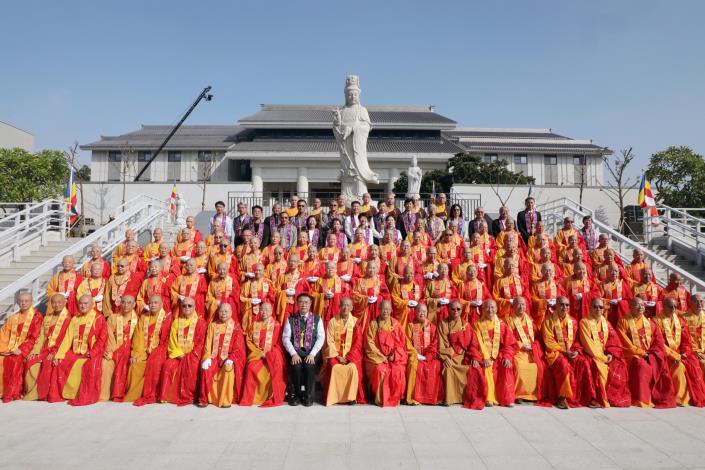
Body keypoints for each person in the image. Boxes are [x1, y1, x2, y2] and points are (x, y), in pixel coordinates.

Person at [616, 297, 676, 408]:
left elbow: (658, 342)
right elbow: (624, 342)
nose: (640, 307)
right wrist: (640, 353)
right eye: (637, 305)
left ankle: (655, 396)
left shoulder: (650, 323)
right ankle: (641, 399)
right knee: (642, 365)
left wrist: (653, 354)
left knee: (659, 364)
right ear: (630, 307)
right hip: (631, 355)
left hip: (648, 354)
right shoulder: (623, 321)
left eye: (643, 305)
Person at [50, 295, 107, 405]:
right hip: (76, 351)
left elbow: (102, 339)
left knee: (86, 365)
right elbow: (67, 338)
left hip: (91, 351)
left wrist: (93, 352)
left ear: (92, 304)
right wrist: (59, 354)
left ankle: (79, 394)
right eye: (80, 303)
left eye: (86, 303)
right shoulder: (75, 318)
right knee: (60, 362)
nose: (82, 306)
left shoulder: (98, 318)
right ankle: (66, 394)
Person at [578, 297, 631, 408]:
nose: (598, 309)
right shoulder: (584, 322)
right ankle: (598, 399)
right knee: (600, 368)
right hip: (591, 354)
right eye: (595, 307)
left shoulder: (606, 323)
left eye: (601, 307)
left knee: (619, 365)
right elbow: (588, 345)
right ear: (590, 308)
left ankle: (612, 397)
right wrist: (603, 358)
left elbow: (614, 341)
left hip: (606, 355)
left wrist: (611, 353)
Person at [653, 298, 705, 407]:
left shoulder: (680, 321)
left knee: (693, 365)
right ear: (663, 306)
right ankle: (680, 398)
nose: (673, 309)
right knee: (680, 367)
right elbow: (659, 343)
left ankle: (693, 395)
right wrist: (673, 355)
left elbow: (686, 341)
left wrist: (685, 352)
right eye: (670, 307)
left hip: (680, 353)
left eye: (675, 307)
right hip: (664, 354)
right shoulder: (655, 321)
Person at [465, 300, 516, 409]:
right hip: (482, 357)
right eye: (487, 308)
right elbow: (474, 344)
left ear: (496, 309)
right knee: (482, 368)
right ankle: (488, 397)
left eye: (492, 307)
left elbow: (509, 344)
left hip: (498, 356)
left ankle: (507, 399)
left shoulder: (502, 325)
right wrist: (482, 357)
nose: (490, 310)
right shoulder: (477, 324)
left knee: (506, 365)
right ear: (482, 309)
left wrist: (507, 357)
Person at [541, 295, 590, 409]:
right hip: (555, 352)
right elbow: (548, 341)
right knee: (563, 364)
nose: (564, 307)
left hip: (571, 352)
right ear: (556, 306)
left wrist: (576, 351)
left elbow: (578, 340)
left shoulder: (573, 321)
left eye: (567, 305)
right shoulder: (548, 320)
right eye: (561, 305)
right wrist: (564, 351)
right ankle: (562, 397)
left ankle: (585, 397)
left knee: (584, 362)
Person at [158, 297, 206, 406]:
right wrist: (179, 355)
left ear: (194, 307)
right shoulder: (176, 322)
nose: (186, 308)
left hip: (193, 356)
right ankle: (166, 396)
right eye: (184, 306)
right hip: (178, 354)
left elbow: (201, 342)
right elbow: (172, 341)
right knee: (168, 366)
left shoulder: (200, 322)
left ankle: (189, 396)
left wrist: (190, 356)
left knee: (192, 366)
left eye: (189, 306)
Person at [23, 294, 72, 401]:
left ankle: (43, 393)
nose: (56, 305)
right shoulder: (47, 317)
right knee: (31, 362)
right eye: (54, 302)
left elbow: (65, 339)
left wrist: (55, 352)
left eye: (59, 302)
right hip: (45, 349)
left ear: (64, 303)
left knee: (48, 364)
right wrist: (35, 351)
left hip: (59, 350)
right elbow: (41, 337)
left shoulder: (68, 318)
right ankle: (33, 392)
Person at [127, 296, 173, 405]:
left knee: (155, 362)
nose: (152, 305)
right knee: (135, 363)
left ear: (161, 304)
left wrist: (156, 353)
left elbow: (166, 340)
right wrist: (137, 353)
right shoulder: (144, 317)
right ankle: (134, 394)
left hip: (159, 352)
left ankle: (151, 393)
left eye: (155, 303)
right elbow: (137, 337)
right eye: (151, 303)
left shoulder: (167, 318)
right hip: (144, 351)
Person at [198, 303, 246, 408]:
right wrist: (206, 357)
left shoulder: (236, 327)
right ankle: (204, 399)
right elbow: (207, 344)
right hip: (214, 357)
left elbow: (239, 347)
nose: (223, 314)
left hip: (228, 358)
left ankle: (225, 399)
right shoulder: (212, 326)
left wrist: (232, 358)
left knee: (228, 368)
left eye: (226, 311)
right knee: (206, 369)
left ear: (231, 313)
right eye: (221, 311)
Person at [240, 302, 286, 407]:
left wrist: (268, 353)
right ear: (259, 311)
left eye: (267, 310)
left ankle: (270, 396)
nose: (264, 312)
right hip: (257, 354)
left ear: (271, 312)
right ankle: (251, 398)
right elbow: (249, 341)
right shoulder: (254, 324)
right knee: (251, 368)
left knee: (275, 367)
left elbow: (277, 343)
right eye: (262, 310)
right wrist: (259, 352)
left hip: (271, 354)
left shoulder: (276, 325)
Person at [282, 293, 325, 406]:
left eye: (306, 302)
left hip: (312, 352)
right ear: (297, 304)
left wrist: (312, 354)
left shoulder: (317, 319)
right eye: (301, 302)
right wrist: (293, 353)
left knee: (309, 365)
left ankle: (308, 395)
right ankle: (296, 394)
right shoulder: (291, 319)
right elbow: (286, 338)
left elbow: (321, 338)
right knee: (296, 366)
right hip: (296, 352)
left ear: (310, 304)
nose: (303, 305)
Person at [322, 297, 365, 405]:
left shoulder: (355, 322)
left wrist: (349, 357)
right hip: (336, 355)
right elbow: (329, 341)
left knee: (353, 368)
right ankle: (335, 397)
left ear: (351, 307)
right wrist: (337, 356)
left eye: (348, 305)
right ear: (339, 307)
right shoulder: (332, 321)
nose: (345, 308)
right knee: (335, 367)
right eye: (343, 305)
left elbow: (358, 342)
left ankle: (351, 397)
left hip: (351, 355)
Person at [0, 291, 42, 402]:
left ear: (32, 302)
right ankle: (2, 391)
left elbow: (34, 337)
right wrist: (4, 348)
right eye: (21, 301)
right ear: (18, 302)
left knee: (14, 360)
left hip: (26, 349)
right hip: (11, 348)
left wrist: (21, 349)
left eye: (26, 301)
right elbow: (4, 334)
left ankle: (13, 392)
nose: (23, 303)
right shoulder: (13, 317)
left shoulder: (36, 317)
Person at [364, 300, 407, 407]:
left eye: (388, 309)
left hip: (393, 358)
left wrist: (395, 355)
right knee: (380, 370)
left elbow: (401, 344)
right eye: (383, 309)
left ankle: (396, 398)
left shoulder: (396, 324)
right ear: (379, 309)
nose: (386, 311)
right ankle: (381, 398)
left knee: (398, 370)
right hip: (377, 358)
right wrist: (382, 357)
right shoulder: (373, 324)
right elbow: (369, 344)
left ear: (391, 310)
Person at [506, 297, 545, 404]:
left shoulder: (530, 320)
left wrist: (534, 345)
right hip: (517, 350)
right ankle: (519, 394)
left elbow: (537, 336)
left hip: (531, 351)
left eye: (523, 304)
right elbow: (508, 338)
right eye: (518, 304)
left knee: (538, 366)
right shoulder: (508, 320)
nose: (521, 307)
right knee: (519, 367)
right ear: (513, 306)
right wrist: (521, 345)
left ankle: (532, 394)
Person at [100, 294, 138, 402]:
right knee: (105, 363)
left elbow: (139, 340)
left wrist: (133, 353)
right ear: (120, 303)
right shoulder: (113, 318)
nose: (126, 305)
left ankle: (120, 393)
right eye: (123, 302)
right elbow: (109, 337)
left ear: (134, 305)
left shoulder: (139, 319)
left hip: (130, 351)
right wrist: (111, 351)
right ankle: (104, 395)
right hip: (115, 350)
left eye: (129, 303)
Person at [404, 304, 442, 405]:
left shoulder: (432, 327)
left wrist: (427, 356)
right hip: (415, 355)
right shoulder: (410, 326)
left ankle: (430, 397)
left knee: (436, 365)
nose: (422, 314)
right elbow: (406, 342)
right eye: (420, 311)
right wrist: (415, 354)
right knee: (412, 365)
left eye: (424, 312)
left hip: (429, 356)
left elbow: (435, 343)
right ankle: (412, 397)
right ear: (415, 312)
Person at [438, 300, 473, 405]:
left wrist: (474, 357)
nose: (455, 311)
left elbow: (472, 344)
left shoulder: (465, 324)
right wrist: (445, 358)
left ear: (462, 310)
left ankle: (464, 398)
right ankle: (450, 399)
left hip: (463, 355)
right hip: (449, 356)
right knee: (448, 369)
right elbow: (441, 343)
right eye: (453, 309)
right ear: (448, 309)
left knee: (470, 369)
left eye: (458, 309)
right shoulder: (443, 323)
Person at [310, 261, 349, 325]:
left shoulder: (340, 281)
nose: (330, 270)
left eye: (332, 268)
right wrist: (323, 295)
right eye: (328, 268)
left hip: (336, 309)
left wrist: (335, 295)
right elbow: (312, 294)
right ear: (325, 269)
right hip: (323, 309)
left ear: (336, 269)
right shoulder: (320, 280)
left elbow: (346, 295)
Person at [683, 294, 705, 375]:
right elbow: (685, 339)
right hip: (693, 351)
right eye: (696, 302)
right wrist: (696, 351)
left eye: (701, 301)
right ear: (690, 303)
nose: (699, 304)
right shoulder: (684, 318)